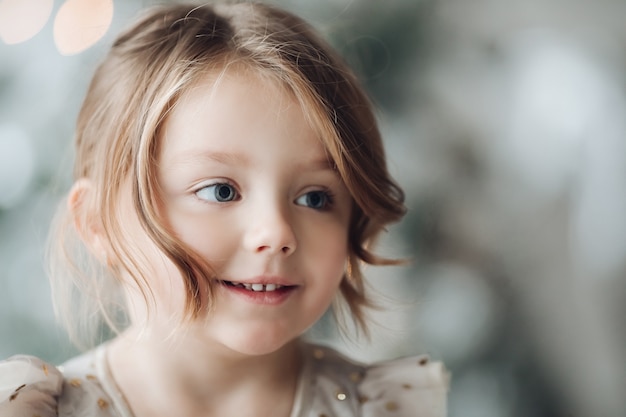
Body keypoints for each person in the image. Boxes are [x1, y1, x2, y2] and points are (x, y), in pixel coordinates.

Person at [0, 2, 448, 416]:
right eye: (220, 191)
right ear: (98, 224)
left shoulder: (380, 408)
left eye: (315, 197)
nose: (276, 232)